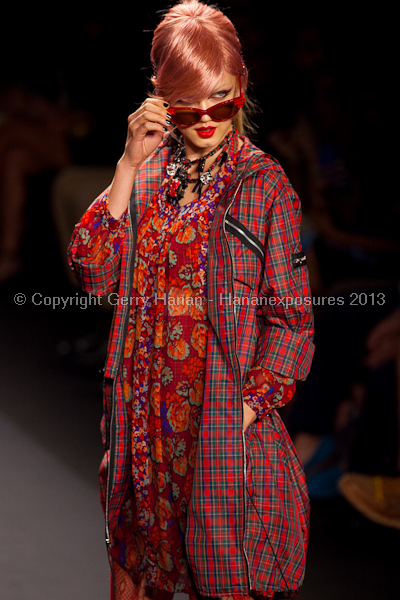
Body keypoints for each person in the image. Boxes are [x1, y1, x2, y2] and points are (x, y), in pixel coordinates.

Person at [68, 2, 315, 599]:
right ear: (159, 98)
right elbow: (93, 275)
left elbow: (291, 324)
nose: (206, 119)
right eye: (187, 105)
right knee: (144, 580)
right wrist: (127, 166)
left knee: (225, 581)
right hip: (146, 434)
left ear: (243, 88)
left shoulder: (263, 187)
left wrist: (246, 410)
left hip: (219, 434)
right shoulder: (147, 175)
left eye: (222, 102)